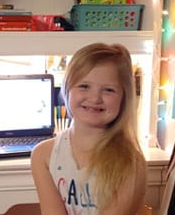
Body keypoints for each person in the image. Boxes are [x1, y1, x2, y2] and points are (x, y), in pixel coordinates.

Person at [31, 43, 147, 215]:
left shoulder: (131, 163)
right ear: (67, 89)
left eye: (108, 90)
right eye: (84, 86)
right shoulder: (43, 155)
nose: (95, 98)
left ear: (124, 98)